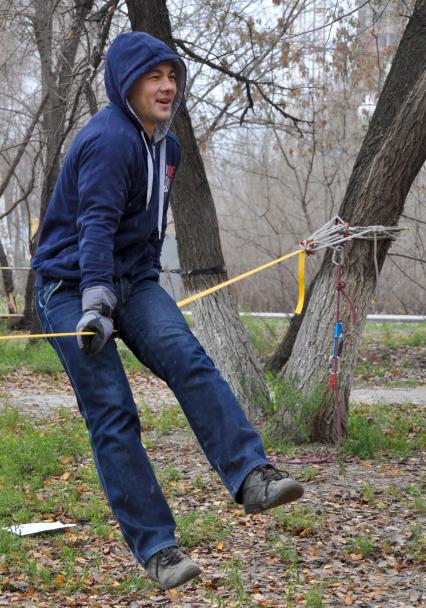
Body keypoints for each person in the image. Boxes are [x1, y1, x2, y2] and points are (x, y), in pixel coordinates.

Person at [31, 31, 304, 591]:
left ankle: (251, 474)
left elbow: (146, 229)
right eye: (154, 77)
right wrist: (97, 303)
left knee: (188, 357)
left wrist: (137, 285)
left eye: (172, 75)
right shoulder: (110, 140)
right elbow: (96, 228)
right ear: (126, 85)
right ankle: (157, 549)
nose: (167, 86)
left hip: (132, 279)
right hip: (70, 287)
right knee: (113, 410)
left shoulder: (167, 146)